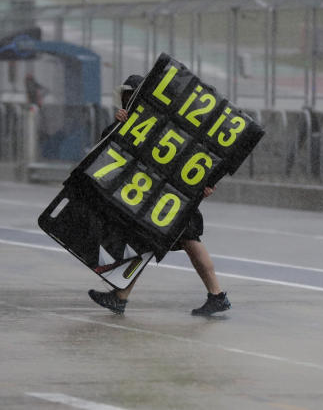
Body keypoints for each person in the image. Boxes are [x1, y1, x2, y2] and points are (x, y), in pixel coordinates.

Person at [87, 74, 231, 317]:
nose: (127, 101)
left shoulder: (169, 121)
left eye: (131, 96)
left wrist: (208, 182)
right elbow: (108, 149)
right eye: (126, 97)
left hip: (172, 196)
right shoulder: (131, 123)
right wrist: (118, 126)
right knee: (145, 242)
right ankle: (120, 297)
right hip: (154, 199)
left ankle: (217, 295)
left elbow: (201, 149)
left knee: (189, 241)